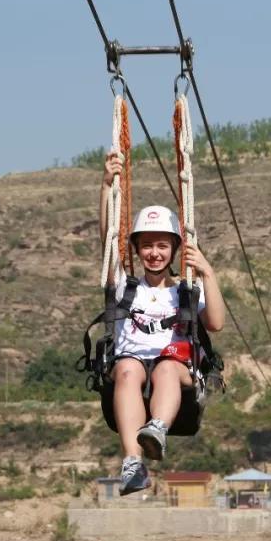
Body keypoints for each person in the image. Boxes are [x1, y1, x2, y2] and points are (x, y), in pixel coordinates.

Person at [100, 152, 225, 496]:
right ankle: (133, 463)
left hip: (176, 367)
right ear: (138, 251)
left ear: (173, 250)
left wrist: (208, 273)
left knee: (166, 369)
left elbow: (215, 323)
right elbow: (108, 239)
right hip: (131, 363)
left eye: (161, 246)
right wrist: (107, 185)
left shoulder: (186, 290)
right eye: (146, 247)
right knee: (127, 369)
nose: (154, 253)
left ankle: (156, 427)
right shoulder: (127, 287)